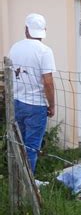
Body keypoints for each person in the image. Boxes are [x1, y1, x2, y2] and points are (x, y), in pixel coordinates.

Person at [9, 13, 56, 174]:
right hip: (36, 105)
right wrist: (52, 105)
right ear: (44, 30)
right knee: (31, 146)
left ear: (26, 29)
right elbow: (48, 82)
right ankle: (28, 185)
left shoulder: (15, 47)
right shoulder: (44, 51)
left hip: (17, 102)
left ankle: (18, 180)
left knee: (19, 144)